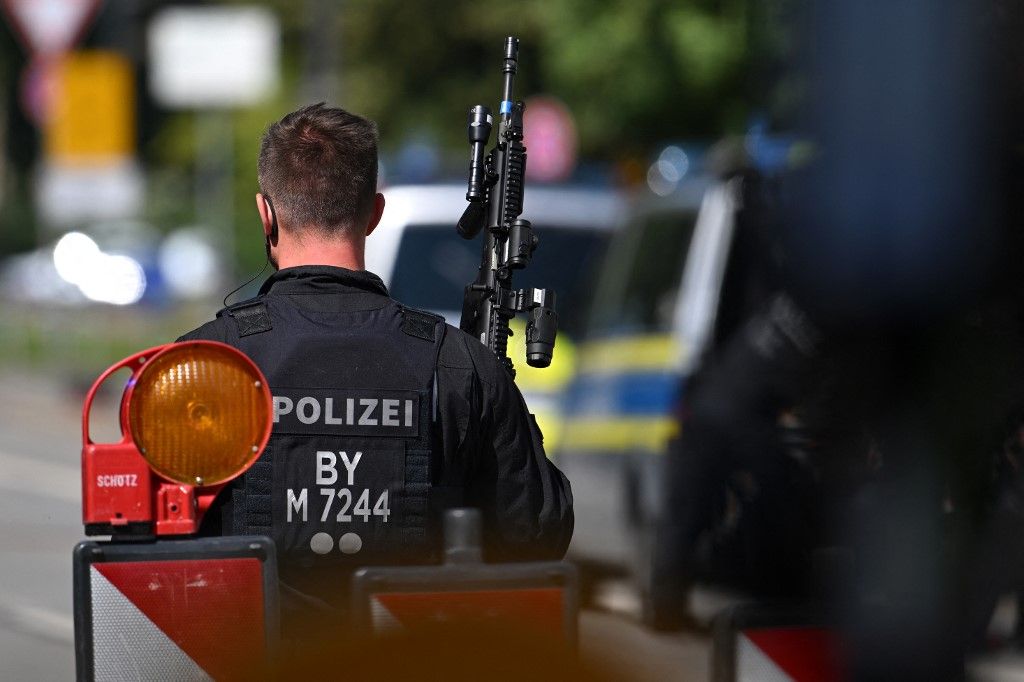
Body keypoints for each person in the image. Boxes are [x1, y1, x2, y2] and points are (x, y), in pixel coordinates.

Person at [177, 103, 573, 635]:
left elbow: (153, 550)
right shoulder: (458, 365)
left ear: (265, 214)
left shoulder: (198, 366)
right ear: (375, 213)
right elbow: (534, 533)